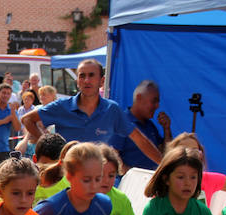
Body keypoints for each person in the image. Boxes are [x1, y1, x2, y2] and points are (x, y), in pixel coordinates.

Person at [22, 59, 162, 165]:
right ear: (77, 81)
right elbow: (27, 119)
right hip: (66, 179)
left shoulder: (112, 110)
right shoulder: (62, 106)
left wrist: (163, 166)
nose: (86, 80)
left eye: (91, 75)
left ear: (101, 81)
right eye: (82, 76)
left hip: (96, 182)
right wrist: (48, 144)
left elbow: (141, 140)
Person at [115, 80, 171, 171]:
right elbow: (112, 156)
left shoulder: (150, 126)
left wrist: (167, 129)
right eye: (154, 101)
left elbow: (167, 154)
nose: (157, 106)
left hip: (150, 182)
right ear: (139, 98)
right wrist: (132, 174)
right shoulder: (121, 122)